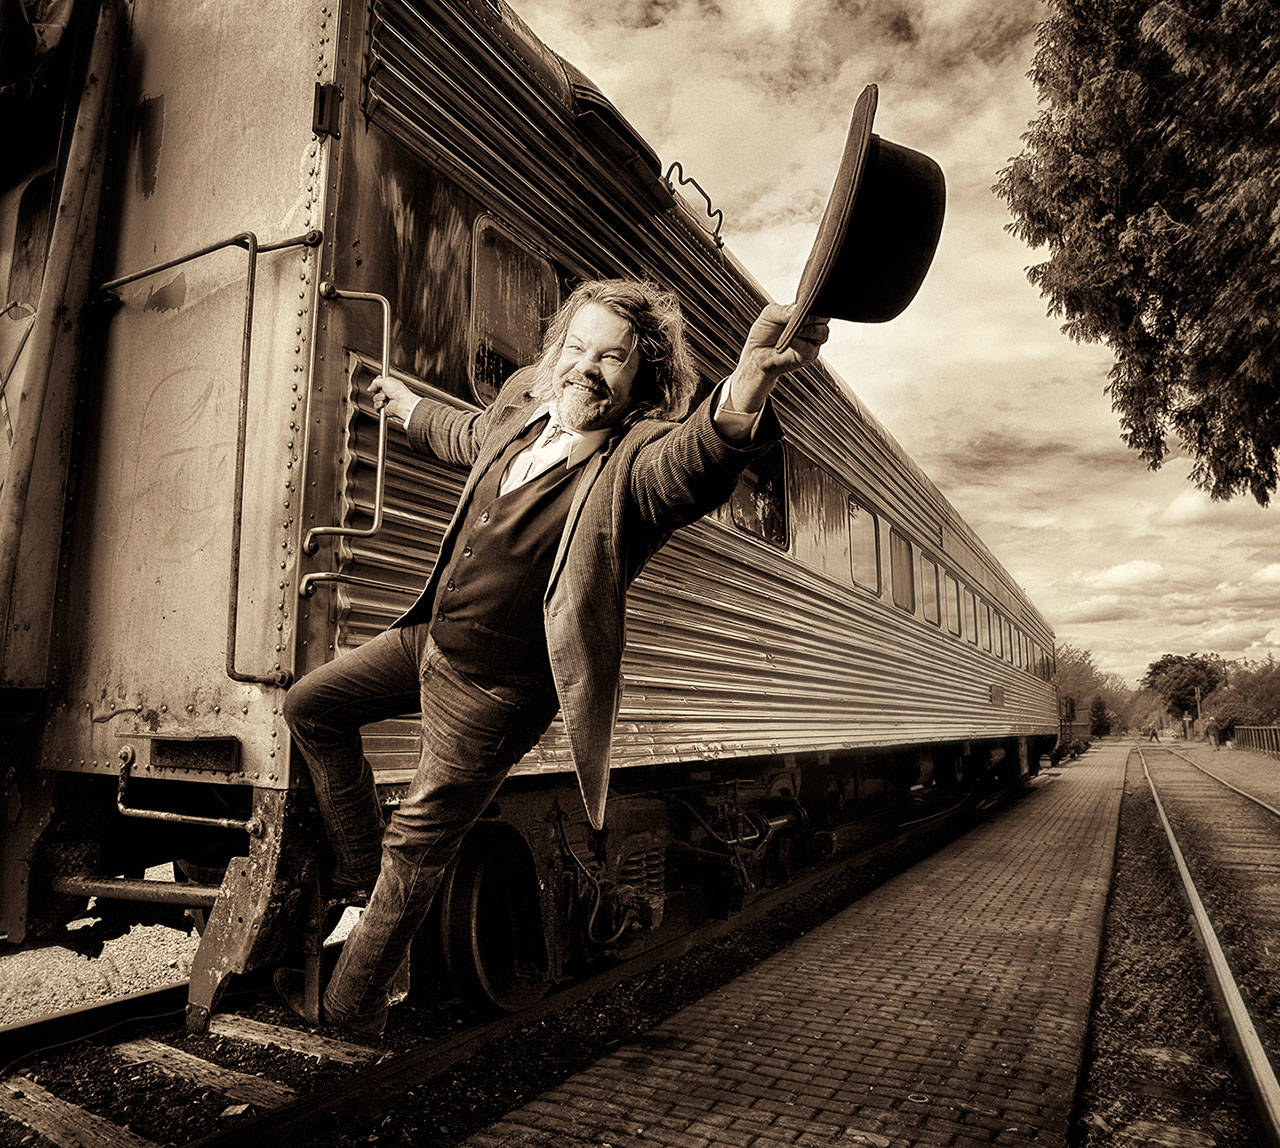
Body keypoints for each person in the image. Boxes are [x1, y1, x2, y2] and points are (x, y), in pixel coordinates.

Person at [276, 279, 829, 1035]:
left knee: (417, 850)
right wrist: (405, 408)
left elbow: (697, 460)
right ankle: (351, 868)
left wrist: (747, 387)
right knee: (312, 705)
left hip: (494, 693)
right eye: (576, 348)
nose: (586, 369)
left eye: (613, 358)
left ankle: (350, 1017)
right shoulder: (521, 415)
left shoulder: (632, 468)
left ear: (645, 380)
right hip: (425, 641)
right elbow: (466, 435)